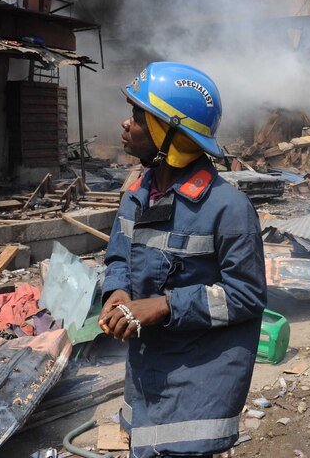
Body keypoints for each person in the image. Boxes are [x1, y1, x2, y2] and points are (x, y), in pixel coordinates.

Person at [99, 62, 268, 458]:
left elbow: (246, 296)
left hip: (198, 382)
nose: (126, 124)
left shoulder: (229, 208)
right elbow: (119, 254)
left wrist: (163, 306)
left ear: (170, 132)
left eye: (140, 115)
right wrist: (117, 288)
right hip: (147, 374)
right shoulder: (138, 192)